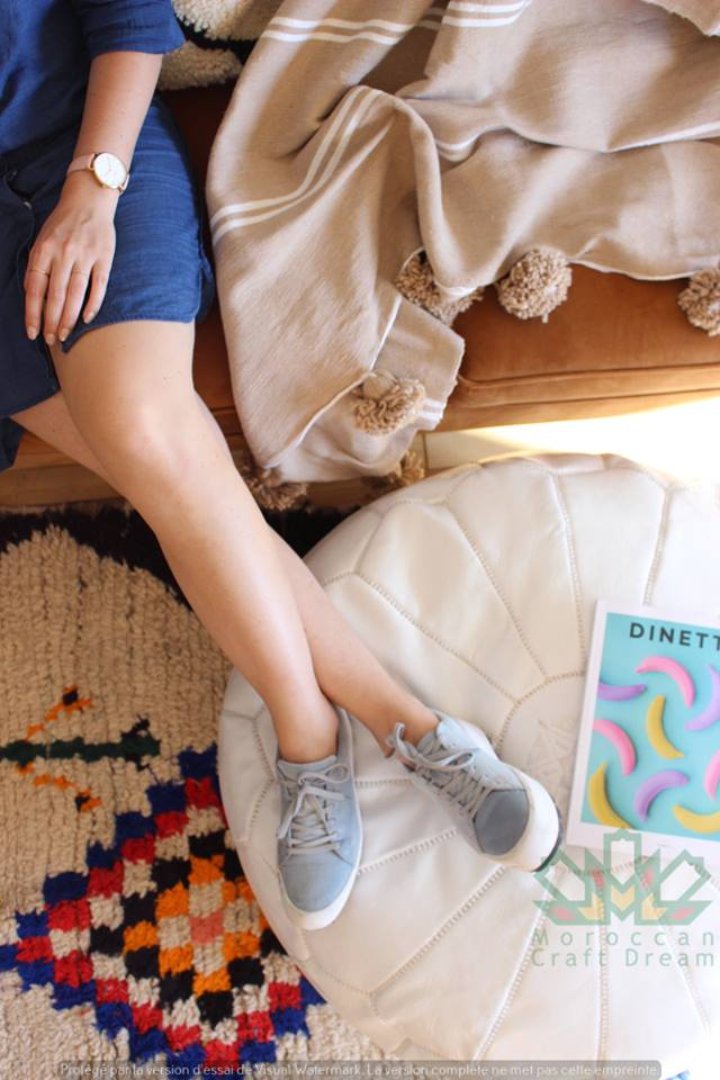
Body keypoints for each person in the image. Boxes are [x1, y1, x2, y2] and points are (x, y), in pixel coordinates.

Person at [1, 0, 562, 932]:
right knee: (179, 479)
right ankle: (409, 732)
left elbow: (129, 16)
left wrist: (93, 191)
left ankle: (315, 733)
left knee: (146, 435)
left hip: (89, 150)